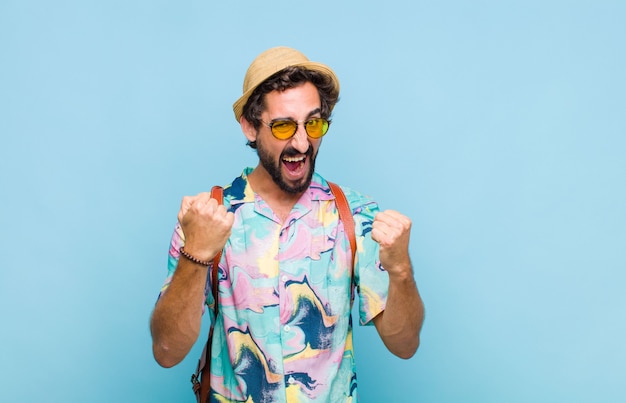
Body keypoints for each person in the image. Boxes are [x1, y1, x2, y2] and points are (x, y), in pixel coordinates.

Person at [150, 46, 425, 402]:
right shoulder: (208, 217)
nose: (301, 142)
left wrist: (401, 269)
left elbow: (405, 345)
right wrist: (195, 254)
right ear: (250, 127)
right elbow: (166, 351)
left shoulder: (355, 216)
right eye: (282, 126)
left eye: (313, 123)